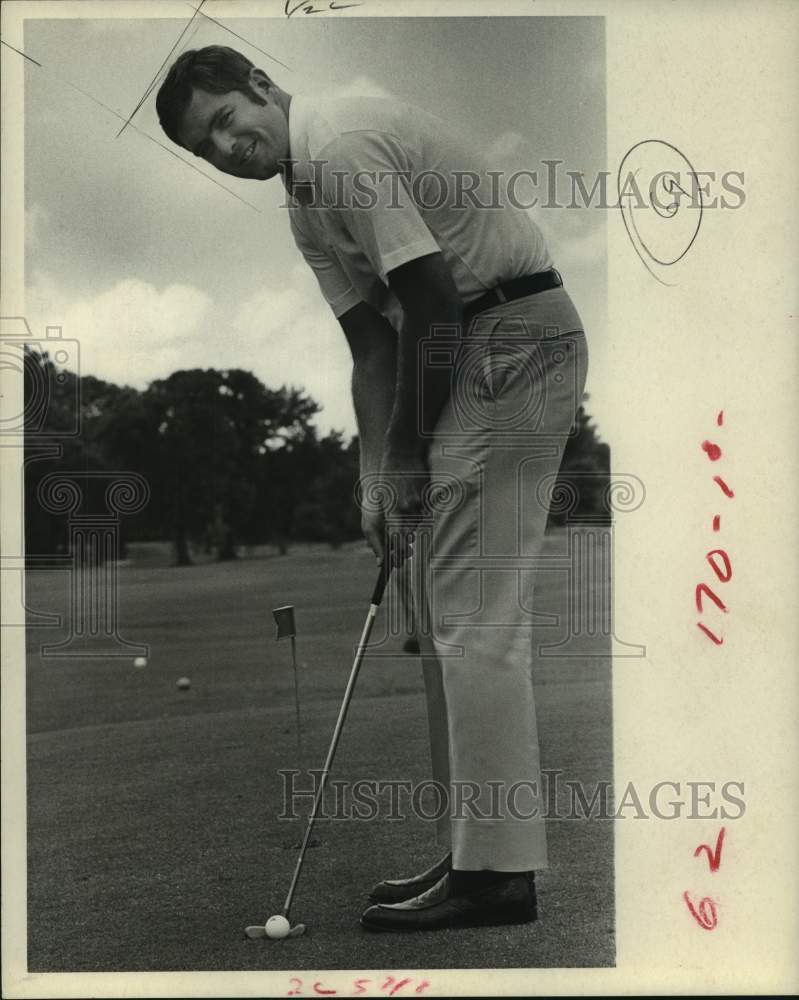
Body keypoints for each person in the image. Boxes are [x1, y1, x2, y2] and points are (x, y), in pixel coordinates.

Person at [156, 45, 588, 932]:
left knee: (473, 616)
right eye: (206, 148)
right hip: (463, 346)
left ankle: (496, 874)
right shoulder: (302, 202)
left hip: (510, 333)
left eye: (226, 120)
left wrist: (405, 457)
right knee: (440, 618)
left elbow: (429, 300)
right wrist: (374, 479)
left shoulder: (341, 141)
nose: (227, 148)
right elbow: (372, 343)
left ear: (261, 86)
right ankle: (475, 853)